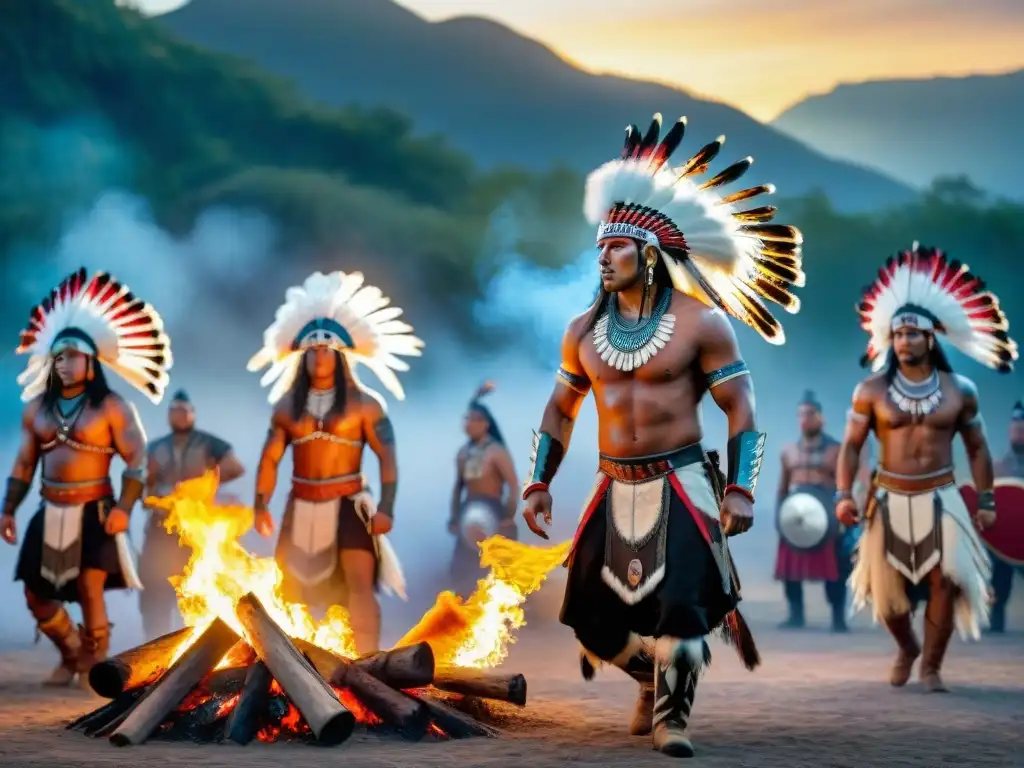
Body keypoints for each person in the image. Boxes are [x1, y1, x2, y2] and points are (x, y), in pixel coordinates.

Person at [521, 113, 805, 756]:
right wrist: (539, 481)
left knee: (681, 610)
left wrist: (740, 491)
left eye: (616, 246)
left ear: (649, 254)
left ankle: (673, 718)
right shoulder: (581, 331)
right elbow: (560, 410)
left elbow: (743, 408)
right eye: (599, 247)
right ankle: (653, 680)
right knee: (590, 621)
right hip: (611, 485)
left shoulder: (703, 325)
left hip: (681, 484)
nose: (603, 256)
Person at [836, 243, 1016, 692]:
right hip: (888, 495)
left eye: (913, 334)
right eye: (898, 334)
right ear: (889, 339)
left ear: (931, 338)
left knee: (947, 580)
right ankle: (908, 647)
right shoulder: (871, 390)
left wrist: (988, 498)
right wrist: (844, 495)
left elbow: (978, 448)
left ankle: (932, 666)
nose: (904, 341)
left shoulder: (961, 390)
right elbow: (851, 447)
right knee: (885, 588)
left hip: (942, 494)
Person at [0, 268, 172, 685]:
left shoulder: (112, 407)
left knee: (89, 588)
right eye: (58, 356)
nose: (64, 364)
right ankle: (72, 653)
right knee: (36, 595)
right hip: (49, 508)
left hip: (96, 509)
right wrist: (8, 511)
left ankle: (96, 665)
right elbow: (24, 464)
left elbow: (137, 461)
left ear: (92, 362)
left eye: (73, 356)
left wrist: (125, 510)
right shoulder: (37, 409)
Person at [247, 270, 423, 654]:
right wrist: (260, 504)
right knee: (291, 592)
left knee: (359, 582)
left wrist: (387, 508)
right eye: (311, 350)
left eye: (326, 349)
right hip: (301, 504)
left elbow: (387, 456)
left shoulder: (365, 405)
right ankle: (298, 669)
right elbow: (270, 458)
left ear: (341, 355)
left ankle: (368, 664)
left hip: (348, 503)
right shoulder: (286, 408)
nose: (319, 356)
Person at [139, 389, 246, 639]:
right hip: (161, 527)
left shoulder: (208, 443)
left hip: (195, 530)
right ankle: (154, 644)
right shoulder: (156, 447)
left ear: (192, 414)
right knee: (155, 588)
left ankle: (192, 644)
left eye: (184, 411)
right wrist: (157, 496)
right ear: (168, 415)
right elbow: (147, 484)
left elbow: (235, 467)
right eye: (174, 410)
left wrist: (202, 488)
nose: (179, 415)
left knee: (194, 587)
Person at [774, 390, 868, 631]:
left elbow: (850, 483)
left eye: (810, 414)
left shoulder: (837, 451)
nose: (805, 419)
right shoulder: (788, 451)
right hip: (796, 516)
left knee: (835, 570)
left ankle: (838, 618)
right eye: (801, 415)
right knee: (790, 571)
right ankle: (796, 615)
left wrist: (847, 512)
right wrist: (779, 517)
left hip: (828, 515)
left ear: (821, 418)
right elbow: (782, 488)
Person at [448, 382, 519, 591]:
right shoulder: (462, 453)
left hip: (494, 509)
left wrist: (508, 516)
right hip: (469, 509)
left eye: (472, 420)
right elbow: (457, 488)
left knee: (497, 567)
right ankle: (466, 611)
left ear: (485, 424)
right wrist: (454, 518)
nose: (467, 424)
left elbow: (513, 486)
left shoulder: (496, 451)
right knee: (461, 568)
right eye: (466, 420)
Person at [988, 399, 1024, 633]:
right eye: (1015, 429)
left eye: (1021, 429)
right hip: (1006, 537)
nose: (1017, 433)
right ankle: (996, 623)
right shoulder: (999, 466)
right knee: (999, 581)